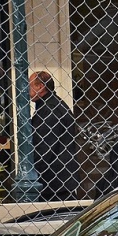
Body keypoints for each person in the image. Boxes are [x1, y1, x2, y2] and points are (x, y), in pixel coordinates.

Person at [28, 70, 80, 201]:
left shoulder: (50, 109)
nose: (26, 90)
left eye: (30, 86)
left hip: (55, 182)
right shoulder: (51, 105)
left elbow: (45, 146)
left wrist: (34, 173)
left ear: (40, 87)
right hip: (58, 179)